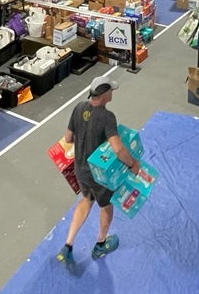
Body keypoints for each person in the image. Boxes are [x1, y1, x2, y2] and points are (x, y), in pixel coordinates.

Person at [56, 76, 148, 267]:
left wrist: (87, 139)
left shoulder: (79, 107)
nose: (112, 93)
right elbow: (118, 149)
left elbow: (68, 137)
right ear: (105, 95)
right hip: (98, 176)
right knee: (106, 206)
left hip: (80, 170)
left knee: (86, 200)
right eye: (111, 91)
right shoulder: (107, 117)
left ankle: (68, 245)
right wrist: (133, 165)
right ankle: (100, 243)